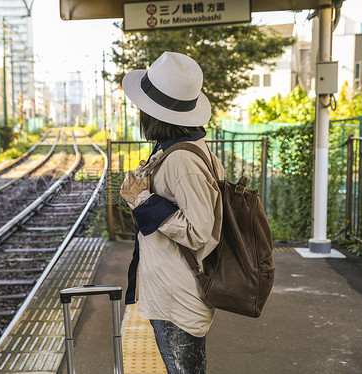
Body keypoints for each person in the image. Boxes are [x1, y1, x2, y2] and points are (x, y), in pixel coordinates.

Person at [119, 51, 225, 374]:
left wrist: (143, 200)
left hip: (177, 298)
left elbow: (199, 231)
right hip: (174, 292)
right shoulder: (180, 150)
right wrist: (139, 194)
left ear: (155, 114)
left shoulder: (182, 161)